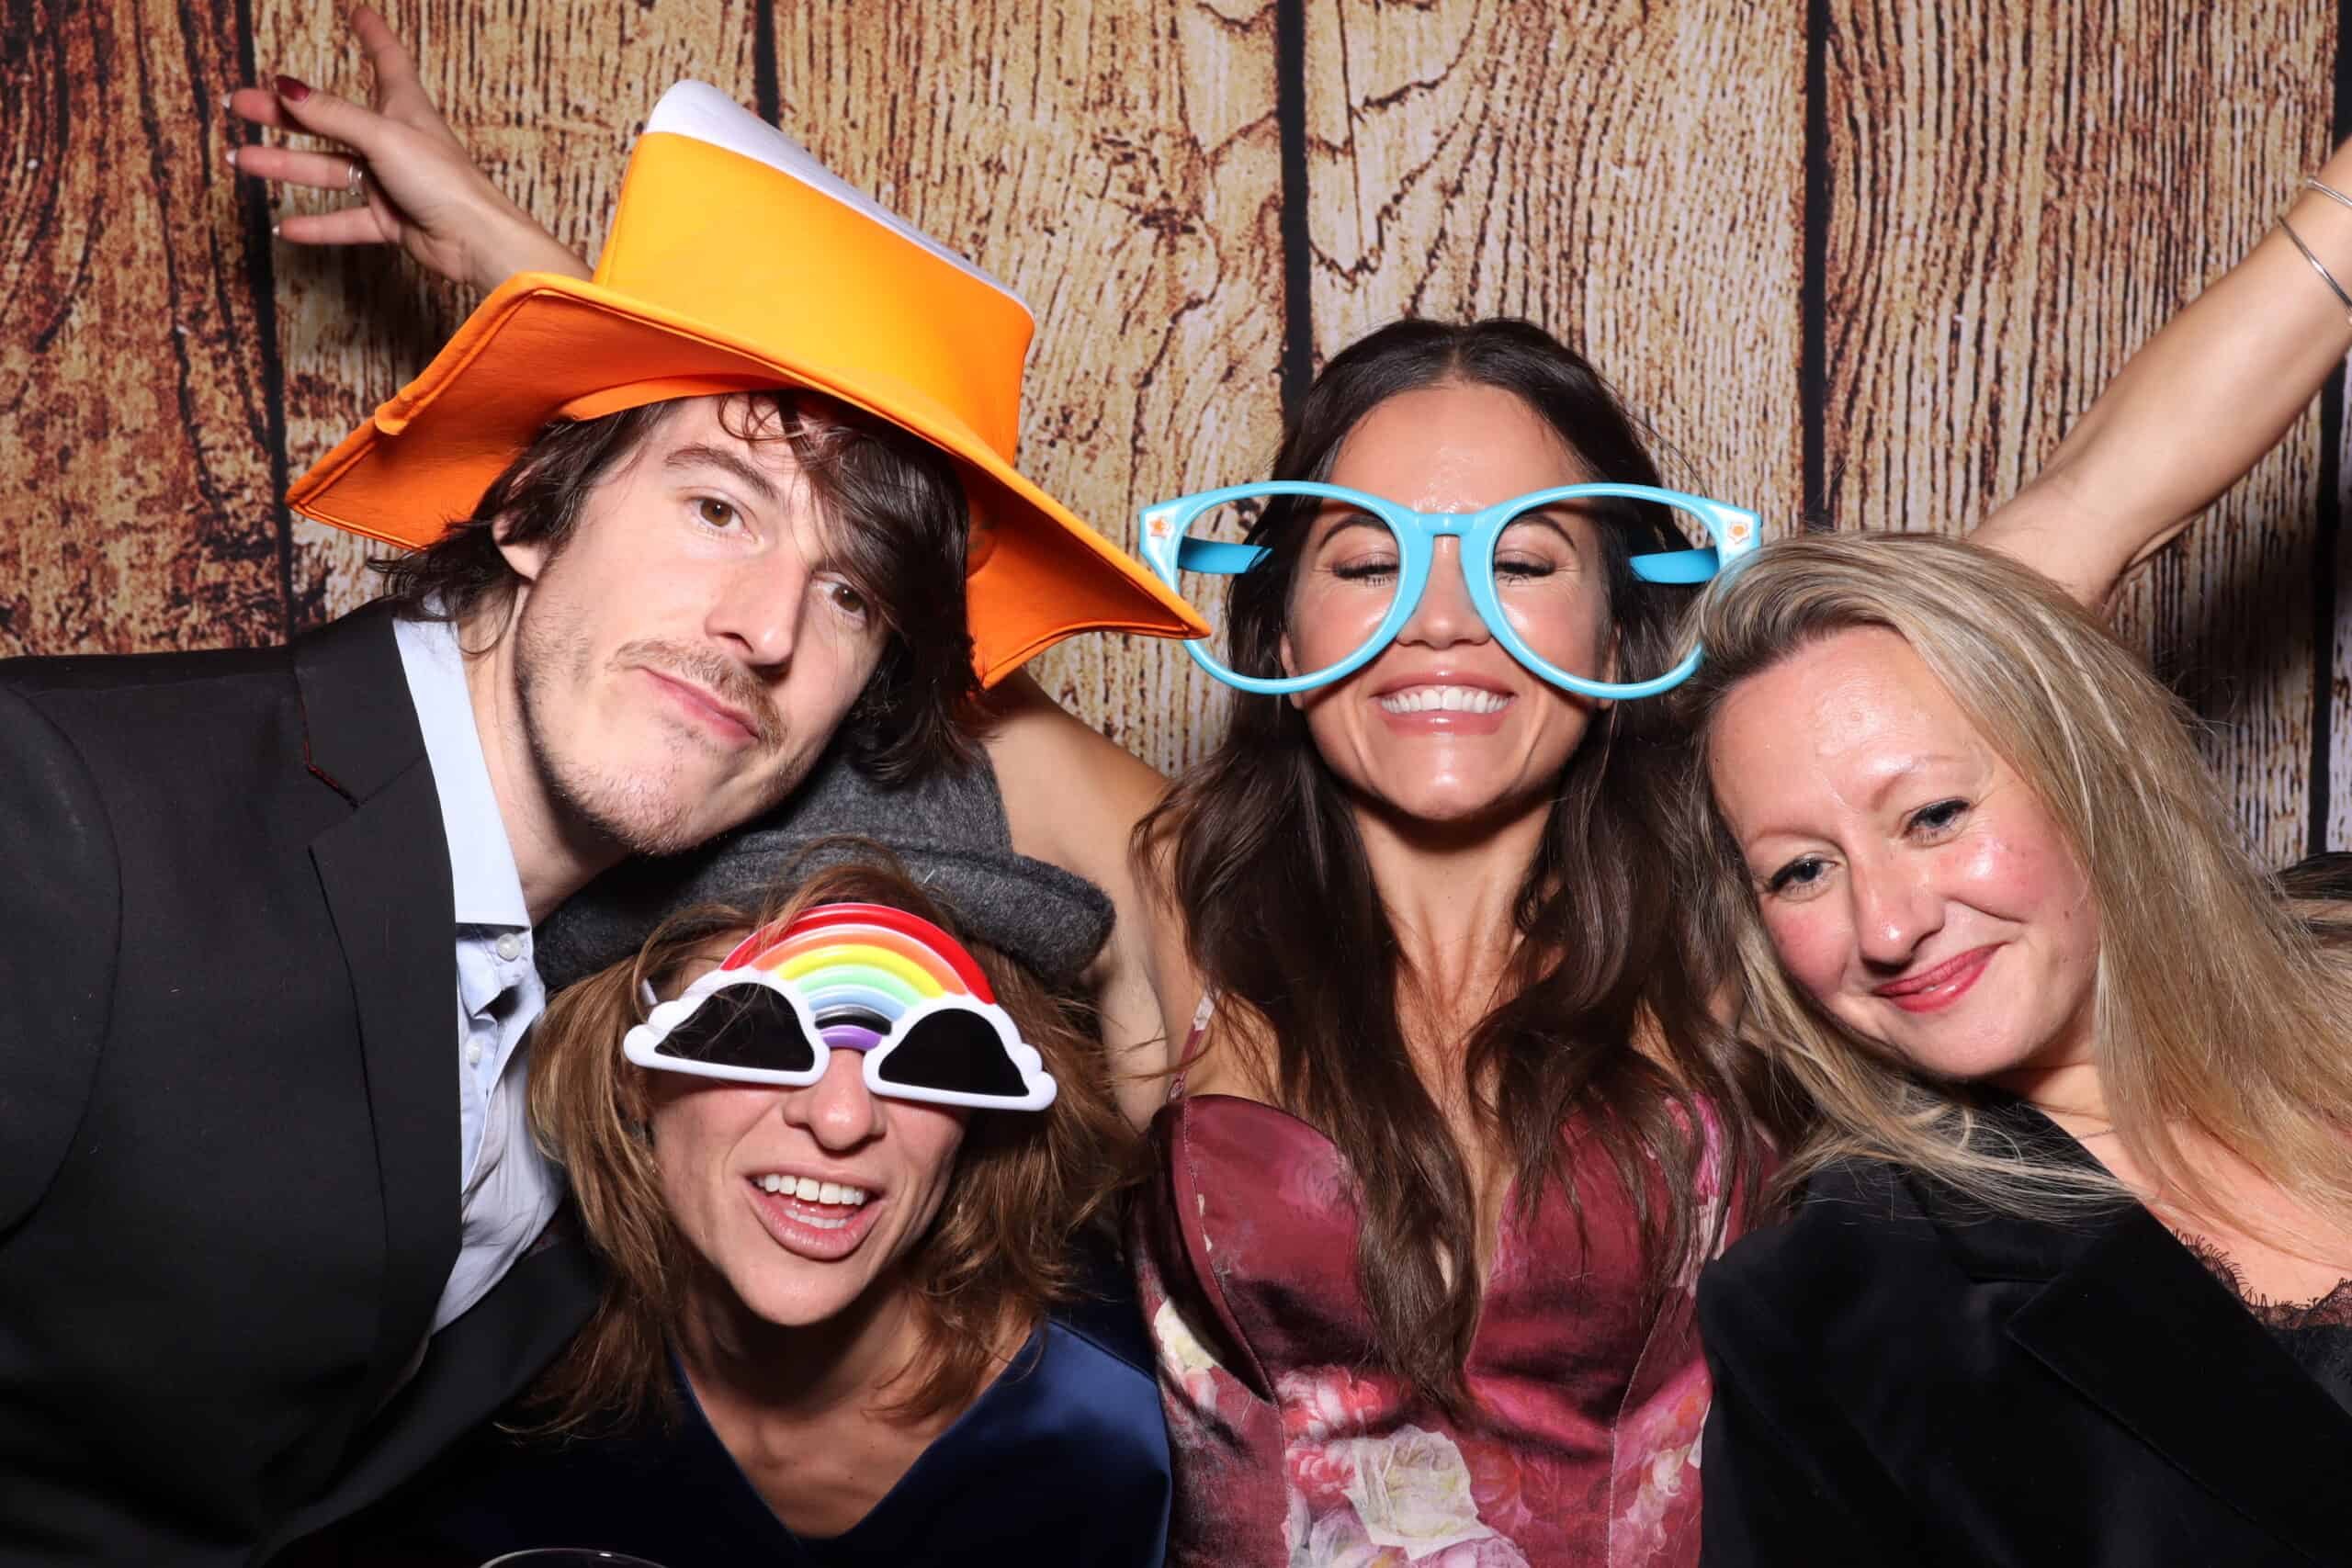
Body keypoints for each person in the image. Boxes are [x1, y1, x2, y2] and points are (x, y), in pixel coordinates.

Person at [233, 21, 2352, 1560]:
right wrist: (525, 285)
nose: (1439, 621)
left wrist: (2335, 225)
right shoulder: (1171, 893)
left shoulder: (1743, 896)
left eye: (1519, 558)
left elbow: (2083, 518)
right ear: (1272, 611)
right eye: (1364, 556)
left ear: (1620, 617)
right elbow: (835, 555)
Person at [0, 72, 1198, 1568]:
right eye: (718, 508)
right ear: (527, 505)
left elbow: (1207, 893)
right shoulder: (65, 810)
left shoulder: (613, 1045)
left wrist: (566, 304)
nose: (764, 626)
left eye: (851, 597)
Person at [1675, 531, 2352, 1564]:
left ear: (2091, 764)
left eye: (1934, 815)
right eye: (1802, 871)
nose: (1888, 927)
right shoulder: (1827, 1319)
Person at [321, 843, 1168, 1568]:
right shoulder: (477, 1399)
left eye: (934, 1049)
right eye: (754, 1028)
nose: (841, 1117)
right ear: (630, 1070)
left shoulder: (1124, 1443)